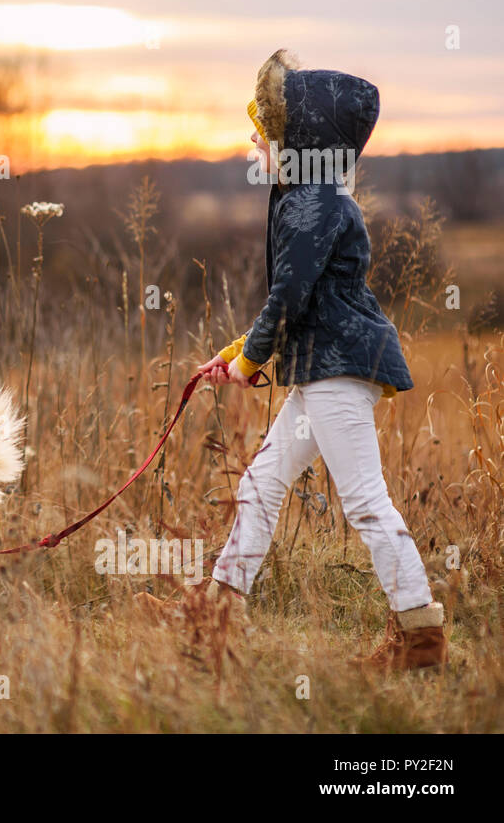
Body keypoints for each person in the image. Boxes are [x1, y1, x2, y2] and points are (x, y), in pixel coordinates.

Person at [186, 50, 444, 670]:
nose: (254, 138)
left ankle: (421, 639)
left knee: (363, 501)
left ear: (300, 143)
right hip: (320, 371)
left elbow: (290, 296)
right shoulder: (310, 197)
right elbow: (295, 302)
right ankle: (219, 615)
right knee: (262, 482)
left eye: (265, 131)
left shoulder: (313, 203)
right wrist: (237, 352)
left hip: (336, 374)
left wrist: (250, 362)